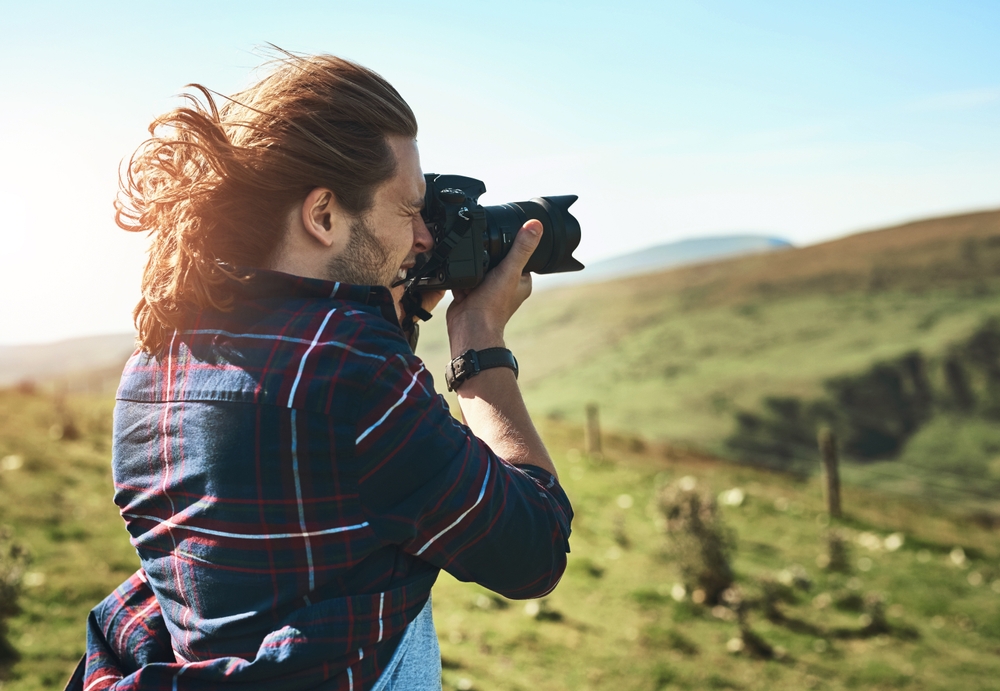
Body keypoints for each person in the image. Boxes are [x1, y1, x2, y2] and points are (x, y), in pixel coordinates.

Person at [66, 52, 572, 691]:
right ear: (324, 215)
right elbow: (534, 552)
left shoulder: (156, 359)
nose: (423, 237)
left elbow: (321, 481)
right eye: (408, 209)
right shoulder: (353, 371)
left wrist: (395, 318)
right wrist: (479, 349)